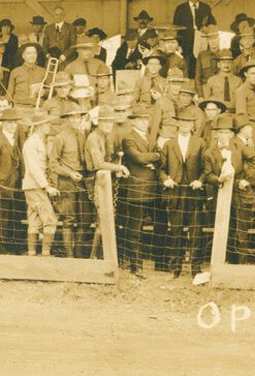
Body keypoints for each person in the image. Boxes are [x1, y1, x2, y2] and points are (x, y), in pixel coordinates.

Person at [202, 115, 255, 265]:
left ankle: (241, 266)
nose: (224, 136)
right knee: (225, 230)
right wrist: (218, 180)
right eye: (221, 132)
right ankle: (225, 263)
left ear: (232, 134)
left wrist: (247, 180)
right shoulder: (209, 152)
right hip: (221, 193)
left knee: (241, 232)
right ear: (216, 133)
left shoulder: (239, 147)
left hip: (240, 194)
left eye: (227, 133)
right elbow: (208, 174)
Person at [158, 107, 206, 278]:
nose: (186, 125)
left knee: (195, 232)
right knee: (176, 231)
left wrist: (200, 181)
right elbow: (161, 169)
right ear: (177, 123)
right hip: (175, 193)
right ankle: (175, 269)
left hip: (194, 193)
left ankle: (196, 269)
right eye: (183, 121)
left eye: (189, 122)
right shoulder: (169, 144)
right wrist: (166, 180)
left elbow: (206, 168)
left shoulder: (200, 143)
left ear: (193, 124)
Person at [119, 104, 162, 277]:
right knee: (135, 228)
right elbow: (137, 157)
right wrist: (154, 157)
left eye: (146, 119)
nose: (144, 122)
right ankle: (135, 266)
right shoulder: (128, 138)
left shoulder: (152, 137)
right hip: (137, 189)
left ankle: (160, 264)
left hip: (153, 188)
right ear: (134, 121)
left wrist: (154, 158)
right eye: (140, 120)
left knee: (158, 225)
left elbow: (161, 155)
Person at [84, 106, 128, 260]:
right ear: (98, 122)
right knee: (102, 219)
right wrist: (119, 166)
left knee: (105, 219)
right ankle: (94, 256)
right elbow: (98, 163)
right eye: (105, 122)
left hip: (104, 181)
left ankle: (100, 256)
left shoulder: (103, 137)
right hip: (96, 181)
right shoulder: (93, 138)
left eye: (110, 122)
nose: (108, 125)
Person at [49, 106, 88, 258]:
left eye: (78, 117)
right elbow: (53, 163)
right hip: (66, 182)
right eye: (72, 117)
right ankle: (69, 255)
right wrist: (70, 173)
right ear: (67, 119)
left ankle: (78, 254)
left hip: (81, 181)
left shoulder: (83, 135)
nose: (76, 120)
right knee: (68, 219)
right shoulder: (61, 137)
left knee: (84, 218)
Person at [22, 109, 59, 256]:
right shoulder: (31, 143)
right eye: (47, 124)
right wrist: (46, 186)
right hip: (35, 186)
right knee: (50, 219)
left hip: (33, 186)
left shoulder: (37, 141)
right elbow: (34, 168)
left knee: (34, 219)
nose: (49, 126)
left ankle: (32, 253)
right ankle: (45, 253)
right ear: (40, 125)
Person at [0, 108, 24, 255]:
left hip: (14, 185)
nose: (12, 126)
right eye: (9, 123)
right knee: (2, 218)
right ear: (3, 124)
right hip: (1, 186)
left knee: (12, 217)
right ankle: (0, 249)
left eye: (14, 123)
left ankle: (10, 246)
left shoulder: (14, 140)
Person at [172, 0, 213, 65]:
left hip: (202, 41)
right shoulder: (181, 9)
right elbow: (175, 27)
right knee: (188, 63)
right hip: (186, 42)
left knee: (202, 62)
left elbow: (212, 23)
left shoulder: (205, 8)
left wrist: (207, 28)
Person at [7, 42, 46, 107]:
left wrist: (44, 92)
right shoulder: (15, 72)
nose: (32, 55)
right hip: (19, 107)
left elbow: (53, 90)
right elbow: (9, 93)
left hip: (37, 107)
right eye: (29, 53)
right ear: (23, 56)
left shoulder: (43, 71)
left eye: (34, 53)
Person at [194, 22, 222, 88]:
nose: (213, 41)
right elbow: (198, 78)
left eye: (215, 38)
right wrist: (200, 95)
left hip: (220, 89)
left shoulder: (223, 54)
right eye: (210, 39)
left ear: (219, 39)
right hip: (206, 88)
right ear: (207, 40)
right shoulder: (202, 55)